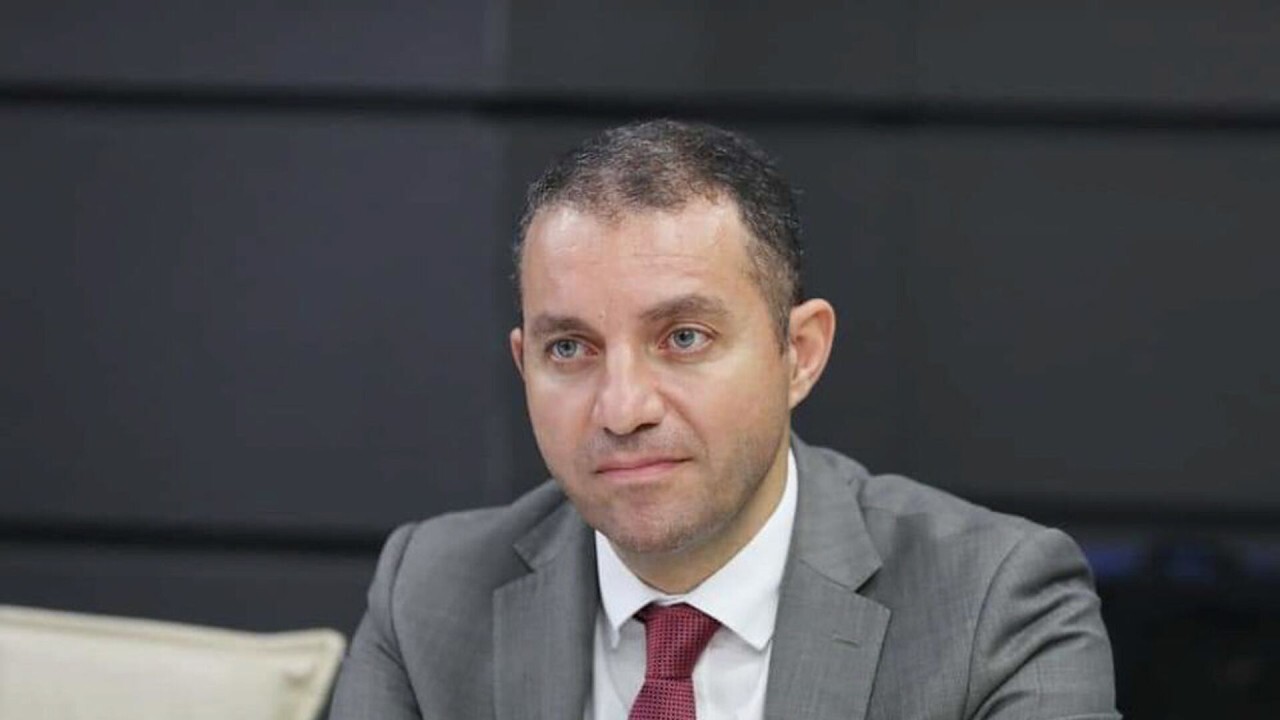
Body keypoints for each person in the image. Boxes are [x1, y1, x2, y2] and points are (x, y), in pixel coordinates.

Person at [329, 120, 1119, 719]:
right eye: (569, 348)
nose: (623, 408)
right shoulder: (429, 593)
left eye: (684, 338)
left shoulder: (992, 604)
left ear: (799, 354)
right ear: (522, 364)